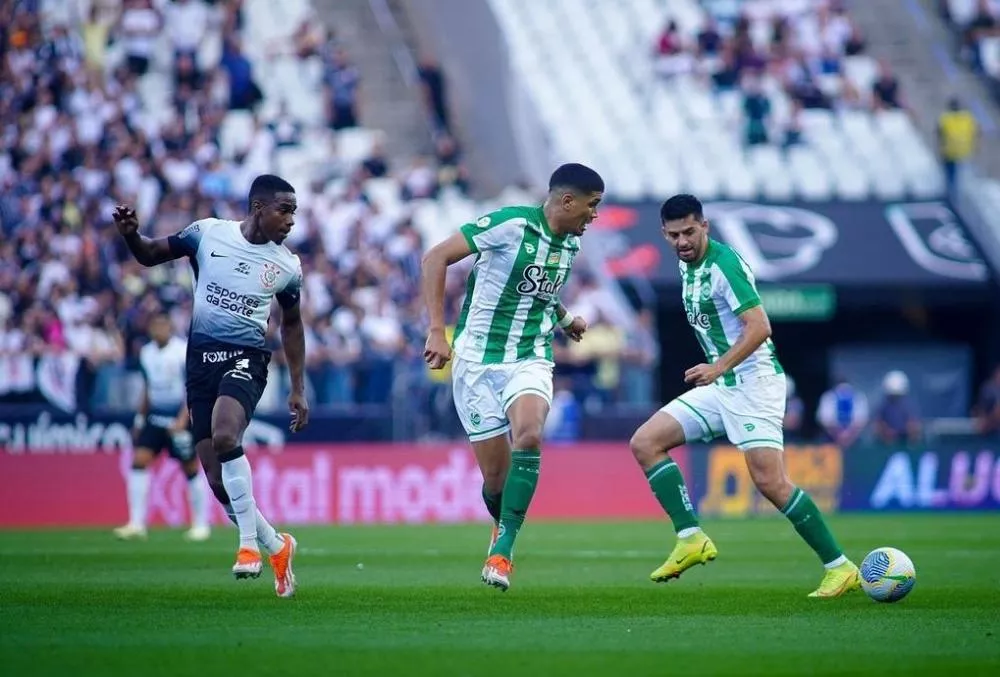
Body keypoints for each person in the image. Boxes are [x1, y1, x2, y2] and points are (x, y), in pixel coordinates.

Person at [628, 194, 860, 598]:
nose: (682, 241)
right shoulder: (687, 266)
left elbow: (759, 326)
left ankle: (840, 567)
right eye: (673, 235)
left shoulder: (724, 265)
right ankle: (690, 538)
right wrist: (719, 373)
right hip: (722, 386)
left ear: (705, 226)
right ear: (663, 234)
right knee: (646, 442)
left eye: (689, 232)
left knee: (770, 482)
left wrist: (718, 366)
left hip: (754, 384)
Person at [113, 174, 309, 598]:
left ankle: (247, 547)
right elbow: (149, 254)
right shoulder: (207, 233)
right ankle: (278, 546)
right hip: (200, 364)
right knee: (219, 484)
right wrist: (131, 236)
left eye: (294, 212)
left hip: (247, 358)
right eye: (284, 210)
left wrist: (298, 387)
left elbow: (292, 326)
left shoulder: (287, 266)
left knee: (225, 435)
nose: (291, 220)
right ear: (258, 207)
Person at [421, 163, 603, 591]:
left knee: (530, 435)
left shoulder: (571, 244)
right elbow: (435, 257)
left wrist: (565, 320)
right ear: (567, 201)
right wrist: (436, 330)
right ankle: (500, 525)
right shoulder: (511, 225)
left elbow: (542, 291)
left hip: (530, 356)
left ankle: (502, 551)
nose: (594, 215)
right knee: (496, 483)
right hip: (475, 363)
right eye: (592, 205)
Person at [113, 312, 210, 542]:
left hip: (178, 418)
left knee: (189, 467)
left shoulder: (182, 351)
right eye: (155, 326)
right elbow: (147, 387)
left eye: (163, 326)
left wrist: (183, 419)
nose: (159, 330)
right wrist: (140, 419)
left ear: (170, 328)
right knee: (139, 461)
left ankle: (200, 524)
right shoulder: (146, 353)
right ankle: (136, 523)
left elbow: (192, 387)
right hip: (155, 417)